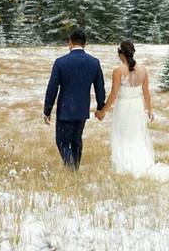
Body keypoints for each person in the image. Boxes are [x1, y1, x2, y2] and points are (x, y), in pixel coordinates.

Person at [43, 28, 106, 169]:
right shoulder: (94, 62)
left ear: (70, 42)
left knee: (62, 141)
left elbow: (52, 87)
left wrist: (47, 110)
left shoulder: (61, 62)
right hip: (82, 109)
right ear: (85, 44)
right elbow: (100, 87)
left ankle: (71, 167)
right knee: (76, 140)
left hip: (65, 109)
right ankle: (75, 168)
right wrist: (101, 107)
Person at [102, 40, 157, 176]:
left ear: (121, 54)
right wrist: (149, 109)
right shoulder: (143, 70)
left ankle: (124, 165)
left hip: (124, 107)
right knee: (136, 135)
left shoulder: (118, 71)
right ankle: (141, 162)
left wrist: (103, 111)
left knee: (123, 134)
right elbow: (146, 92)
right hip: (137, 107)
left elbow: (114, 94)